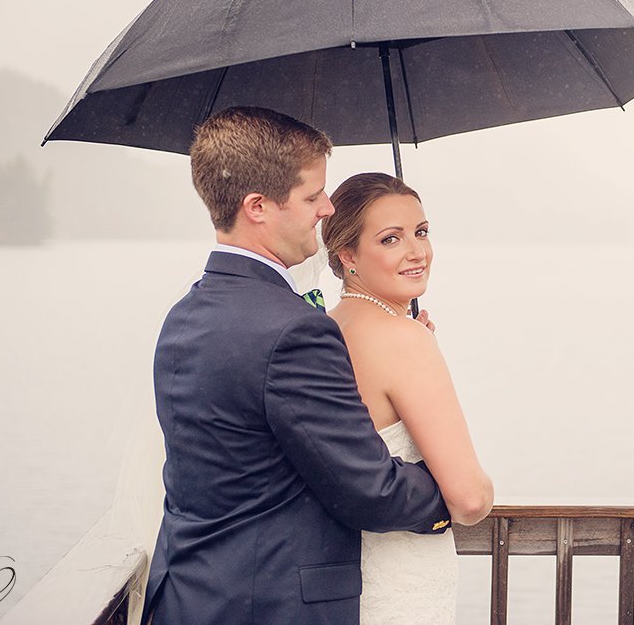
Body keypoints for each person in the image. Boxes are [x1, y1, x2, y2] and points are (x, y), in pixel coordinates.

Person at [142, 108, 453, 625]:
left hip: (189, 595)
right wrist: (457, 492)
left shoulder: (185, 314)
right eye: (313, 196)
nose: (327, 209)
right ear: (258, 207)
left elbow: (251, 446)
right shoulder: (294, 329)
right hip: (270, 606)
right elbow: (371, 490)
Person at [320, 172, 494, 624]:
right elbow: (470, 500)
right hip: (403, 582)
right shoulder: (404, 341)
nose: (417, 252)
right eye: (391, 239)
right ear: (348, 255)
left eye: (421, 232)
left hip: (341, 577)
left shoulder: (321, 330)